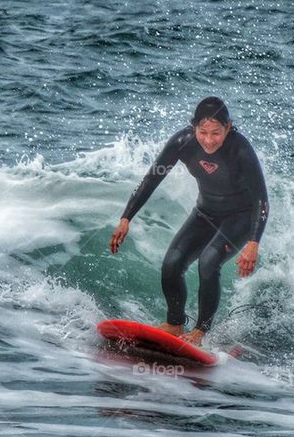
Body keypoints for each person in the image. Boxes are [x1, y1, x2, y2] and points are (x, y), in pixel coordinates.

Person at [109, 97, 269, 347]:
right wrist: (126, 218)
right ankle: (175, 323)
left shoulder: (240, 150)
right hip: (206, 212)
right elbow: (152, 178)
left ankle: (201, 331)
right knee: (172, 263)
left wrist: (253, 243)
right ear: (193, 127)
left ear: (228, 127)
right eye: (202, 132)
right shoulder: (183, 143)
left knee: (208, 262)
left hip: (240, 218)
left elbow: (261, 199)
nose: (208, 139)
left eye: (216, 132)